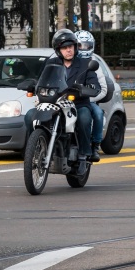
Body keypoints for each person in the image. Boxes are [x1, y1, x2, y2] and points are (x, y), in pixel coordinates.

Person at [25, 29, 99, 173]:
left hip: (77, 104)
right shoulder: (52, 63)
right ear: (58, 50)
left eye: (70, 47)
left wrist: (89, 87)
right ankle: (32, 150)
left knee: (84, 117)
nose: (68, 50)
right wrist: (32, 86)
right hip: (54, 104)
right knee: (29, 115)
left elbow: (94, 84)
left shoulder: (85, 64)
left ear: (75, 47)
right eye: (64, 48)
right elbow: (43, 80)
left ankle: (84, 155)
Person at [74, 30, 113, 161]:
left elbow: (103, 88)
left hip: (87, 100)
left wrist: (87, 97)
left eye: (87, 45)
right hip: (67, 99)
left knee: (98, 113)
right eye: (80, 45)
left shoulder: (94, 62)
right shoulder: (69, 59)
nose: (84, 48)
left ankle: (95, 145)